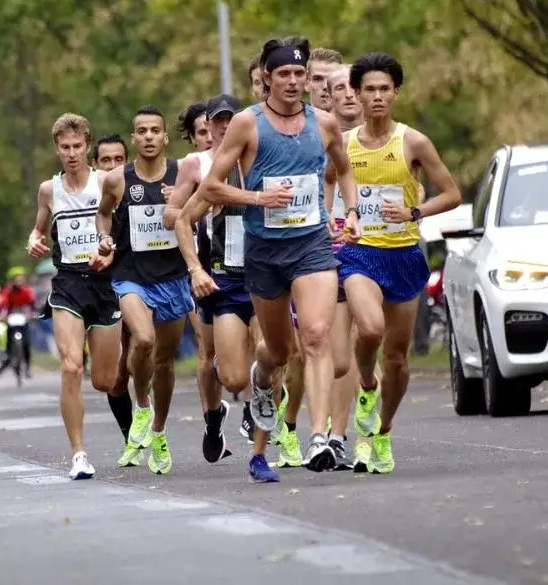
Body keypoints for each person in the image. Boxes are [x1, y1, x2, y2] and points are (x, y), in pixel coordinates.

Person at [196, 36, 361, 481]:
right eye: (282, 74)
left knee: (318, 334)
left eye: (298, 74)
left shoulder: (324, 124)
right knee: (278, 351)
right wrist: (256, 196)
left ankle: (321, 436)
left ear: (307, 79)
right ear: (267, 78)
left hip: (311, 244)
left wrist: (352, 211)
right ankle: (262, 380)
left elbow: (343, 168)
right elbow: (212, 187)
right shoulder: (247, 125)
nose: (291, 81)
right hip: (265, 252)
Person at [335, 52, 461, 474]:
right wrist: (337, 222)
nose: (376, 97)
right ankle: (366, 388)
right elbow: (323, 189)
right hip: (358, 253)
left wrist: (414, 213)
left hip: (404, 254)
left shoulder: (413, 142)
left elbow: (452, 193)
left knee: (398, 356)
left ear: (395, 93)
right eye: (368, 89)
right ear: (356, 93)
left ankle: (382, 432)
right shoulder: (343, 144)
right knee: (369, 329)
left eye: (384, 89)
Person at [96, 105, 194, 475]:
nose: (150, 136)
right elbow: (103, 214)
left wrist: (181, 200)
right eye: (142, 131)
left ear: (165, 137)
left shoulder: (183, 174)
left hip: (172, 277)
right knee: (143, 339)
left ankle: (159, 430)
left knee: (165, 363)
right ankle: (141, 405)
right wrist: (105, 238)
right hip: (130, 275)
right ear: (133, 138)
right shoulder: (117, 180)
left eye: (156, 130)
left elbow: (204, 209)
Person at [27, 113, 121, 480]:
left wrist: (111, 250)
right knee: (70, 367)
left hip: (105, 283)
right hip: (68, 283)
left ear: (88, 146)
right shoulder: (49, 191)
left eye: (77, 146)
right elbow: (38, 231)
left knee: (104, 380)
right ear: (57, 149)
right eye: (64, 147)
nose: (71, 154)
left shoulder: (107, 182)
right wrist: (35, 241)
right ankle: (78, 454)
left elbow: (123, 229)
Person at [171, 93, 261, 462]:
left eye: (230, 119)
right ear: (206, 126)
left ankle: (267, 416)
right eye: (217, 121)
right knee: (224, 369)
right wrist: (195, 268)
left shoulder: (261, 157)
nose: (223, 127)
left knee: (274, 350)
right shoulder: (202, 167)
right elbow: (176, 217)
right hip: (218, 273)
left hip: (265, 273)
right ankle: (214, 416)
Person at [277, 46, 346, 468]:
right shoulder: (288, 129)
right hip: (293, 245)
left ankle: (333, 435)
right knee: (297, 350)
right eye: (315, 79)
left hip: (349, 246)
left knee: (340, 350)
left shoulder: (345, 131)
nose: (321, 88)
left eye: (328, 81)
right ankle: (289, 421)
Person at [91, 134, 138, 459]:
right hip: (101, 288)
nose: (111, 166)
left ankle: (150, 419)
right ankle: (129, 435)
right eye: (105, 160)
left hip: (141, 284)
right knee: (116, 378)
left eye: (118, 160)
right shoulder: (89, 199)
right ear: (95, 165)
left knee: (143, 355)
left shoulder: (140, 190)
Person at [1, 266, 37, 377]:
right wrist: (3, 315)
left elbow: (33, 304)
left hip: (24, 318)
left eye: (21, 278)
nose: (19, 281)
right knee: (8, 342)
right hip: (11, 318)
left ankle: (27, 367)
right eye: (16, 278)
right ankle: (8, 357)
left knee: (26, 344)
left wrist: (33, 314)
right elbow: (3, 305)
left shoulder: (28, 290)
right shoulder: (7, 292)